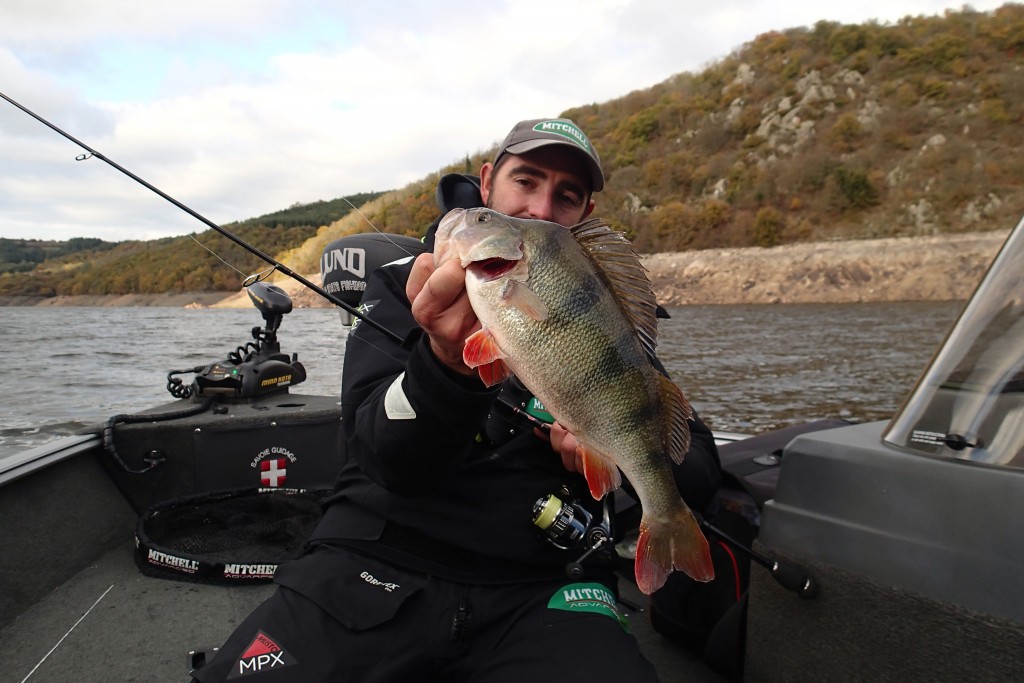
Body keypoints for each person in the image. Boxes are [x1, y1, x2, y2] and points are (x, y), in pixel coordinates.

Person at [193, 117, 721, 682]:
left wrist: (616, 456)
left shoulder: (606, 316)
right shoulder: (403, 285)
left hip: (545, 583)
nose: (541, 208)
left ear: (584, 215)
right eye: (527, 181)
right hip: (375, 561)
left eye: (566, 196)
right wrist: (444, 364)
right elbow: (382, 456)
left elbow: (698, 471)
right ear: (489, 181)